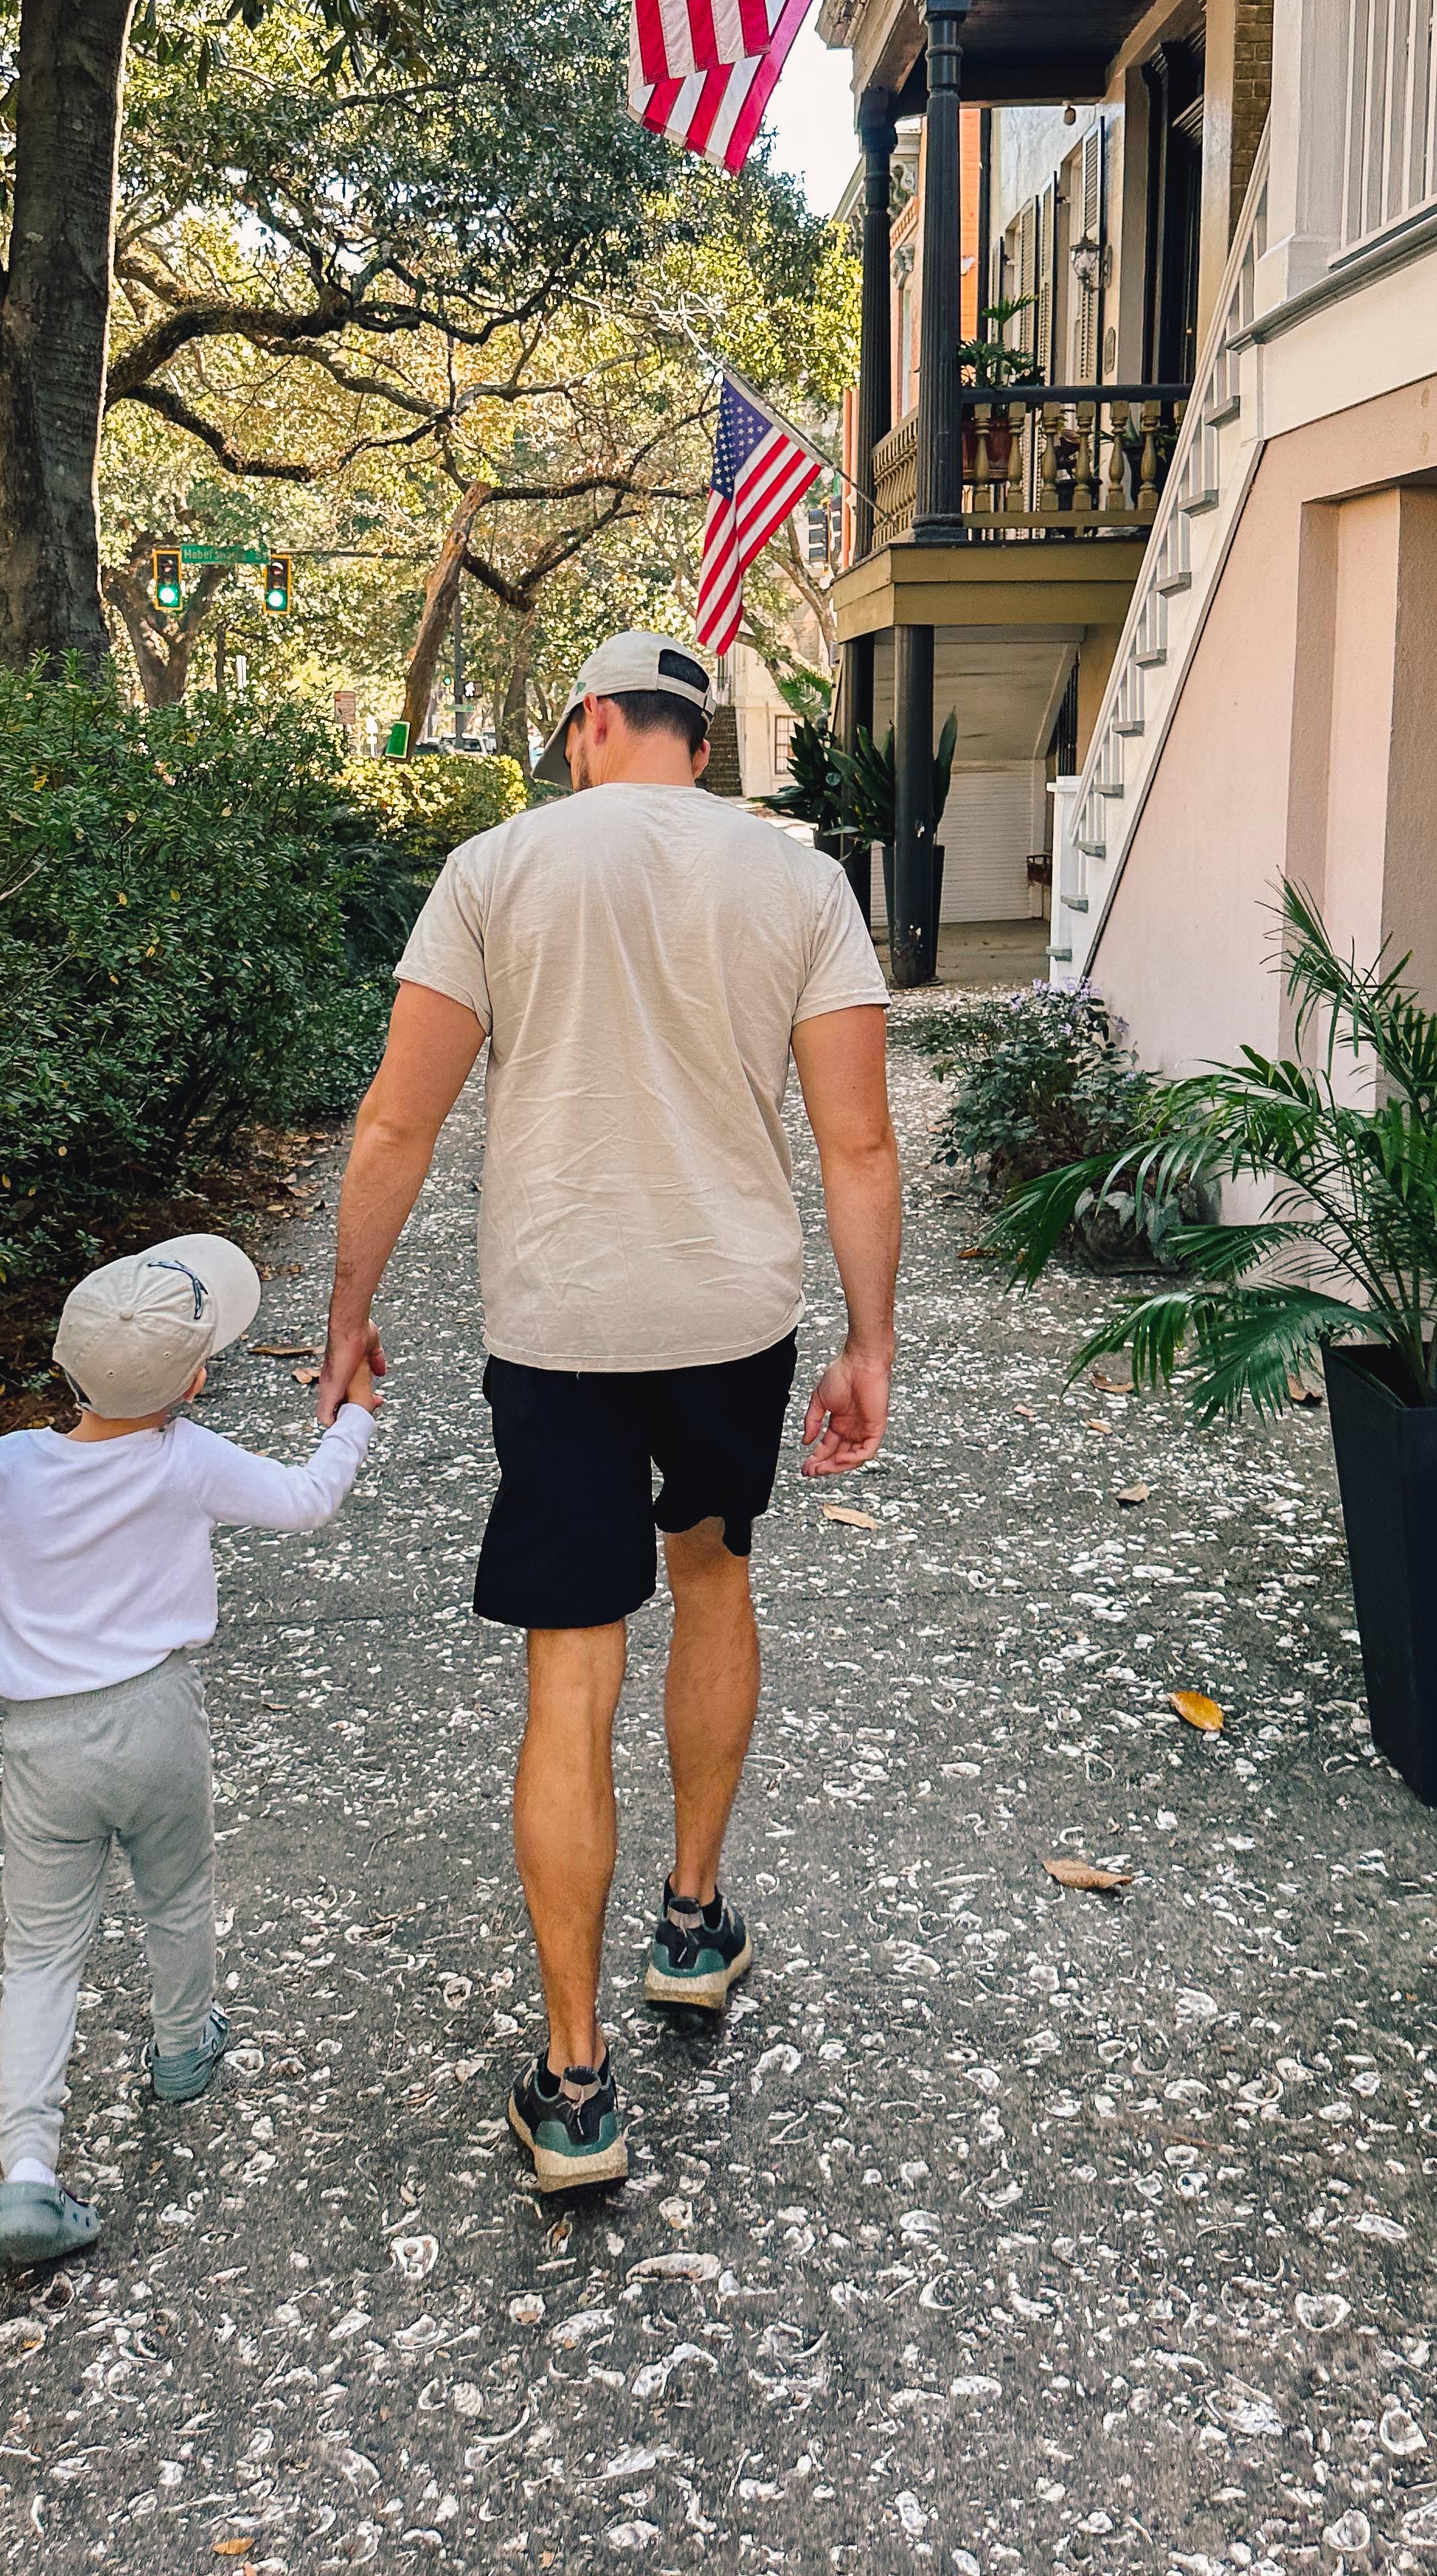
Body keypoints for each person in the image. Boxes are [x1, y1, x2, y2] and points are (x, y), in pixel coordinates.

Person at [317, 630, 899, 2191]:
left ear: (587, 729)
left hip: (563, 1321)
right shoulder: (800, 882)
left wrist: (348, 1310)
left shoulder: (495, 868)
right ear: (698, 746)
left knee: (570, 1668)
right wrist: (871, 1340)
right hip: (730, 1314)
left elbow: (398, 1118)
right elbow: (859, 1148)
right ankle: (694, 1924)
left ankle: (577, 2085)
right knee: (712, 1574)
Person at [0, 1233, 377, 2266]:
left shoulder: (7, 1469)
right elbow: (304, 1502)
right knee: (175, 1891)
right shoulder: (185, 1458)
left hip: (44, 1741)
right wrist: (350, 1423)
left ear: (66, 1367)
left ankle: (28, 2167)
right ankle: (179, 2049)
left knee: (39, 1951)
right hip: (158, 1715)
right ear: (197, 1381)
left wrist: (3, 1504)